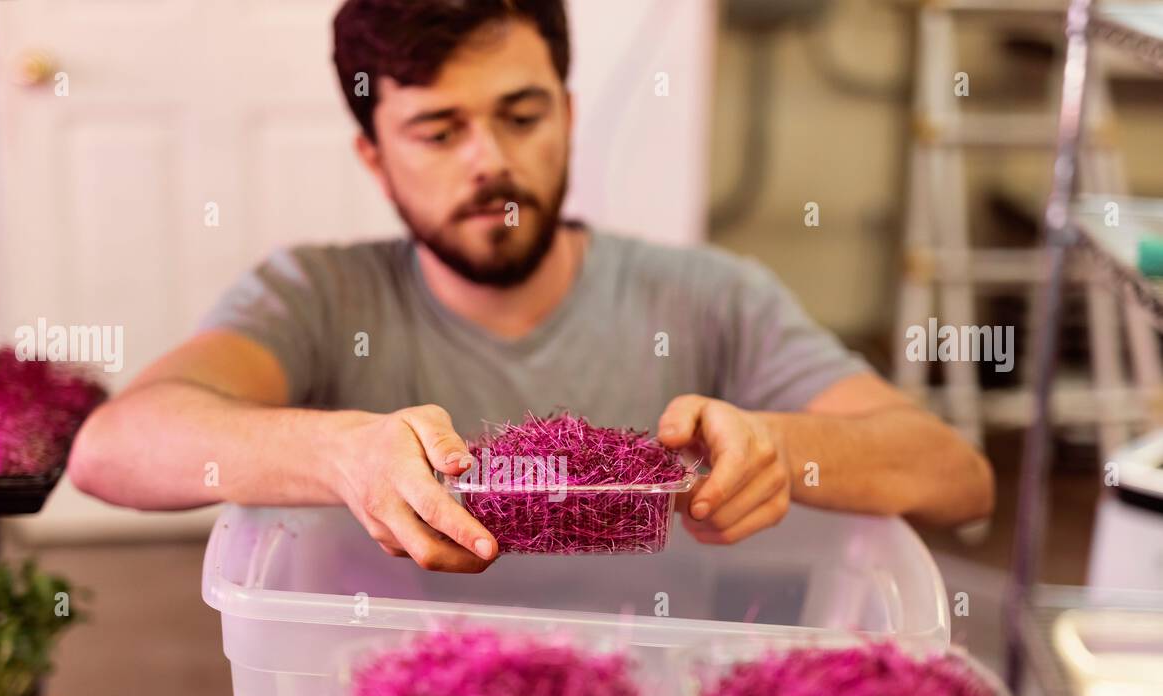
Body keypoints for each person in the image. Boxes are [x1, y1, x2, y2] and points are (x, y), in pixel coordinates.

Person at [69, 0, 993, 573]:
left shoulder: (709, 295)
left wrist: (780, 449)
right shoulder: (317, 297)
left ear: (569, 114)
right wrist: (343, 454)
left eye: (522, 115)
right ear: (374, 156)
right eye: (439, 131)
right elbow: (112, 448)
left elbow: (959, 478)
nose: (492, 163)